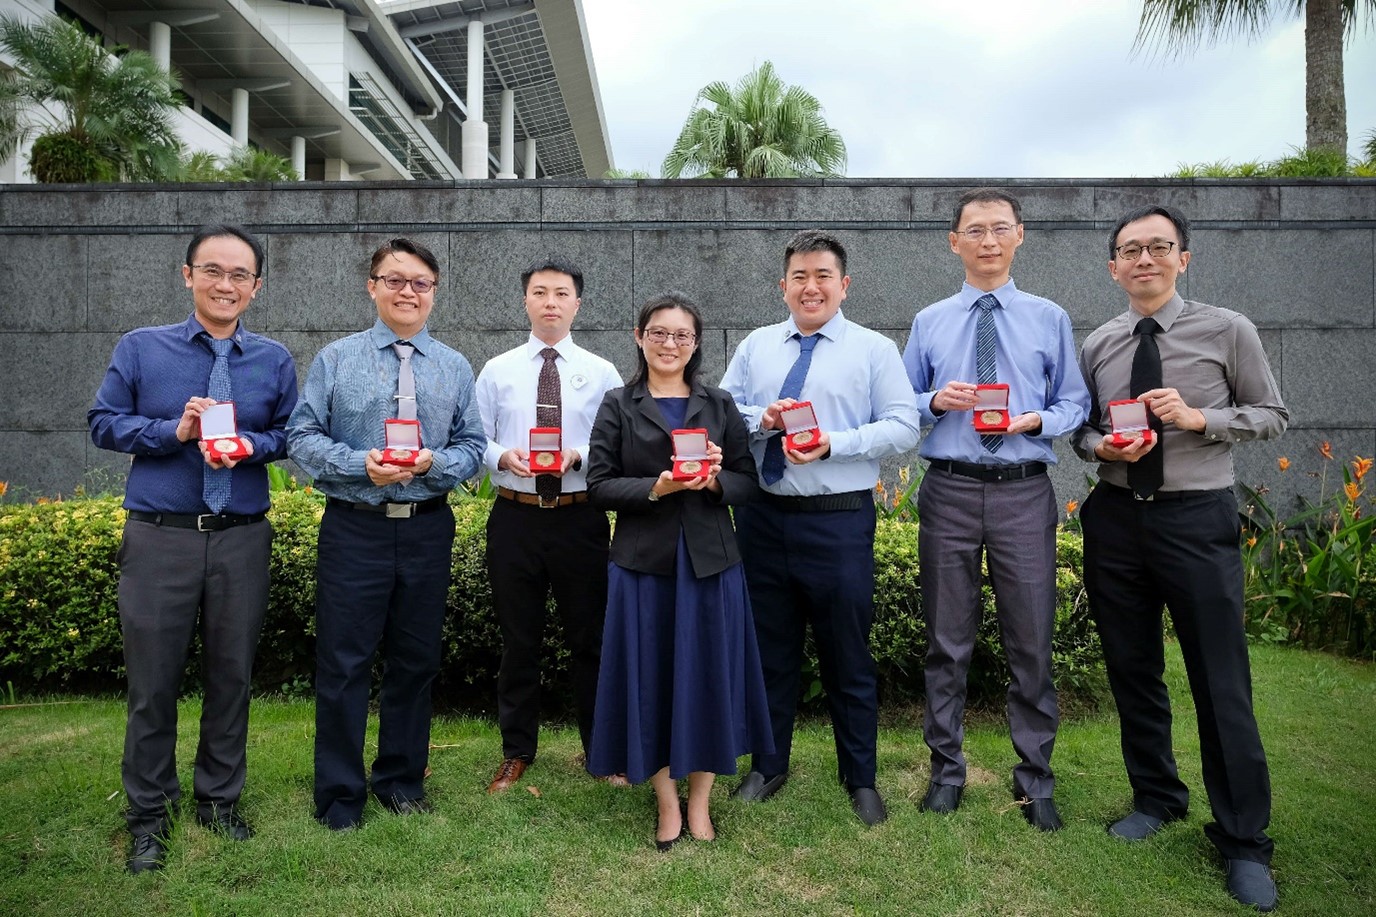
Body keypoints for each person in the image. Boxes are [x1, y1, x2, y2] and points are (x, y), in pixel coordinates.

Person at [1071, 205, 1286, 911]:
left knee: (1220, 678)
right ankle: (1156, 794)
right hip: (1115, 520)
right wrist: (1100, 446)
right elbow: (1082, 429)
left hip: (1197, 518)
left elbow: (1272, 414)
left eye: (1158, 247)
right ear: (1113, 266)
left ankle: (1244, 838)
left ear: (1182, 258)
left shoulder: (1229, 330)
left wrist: (1201, 419)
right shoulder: (1100, 341)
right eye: (1130, 250)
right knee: (1133, 669)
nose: (1144, 259)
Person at [89, 224, 298, 873]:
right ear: (188, 275)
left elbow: (290, 433)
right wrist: (170, 429)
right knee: (153, 684)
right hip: (161, 536)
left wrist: (250, 446)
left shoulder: (274, 359)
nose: (226, 283)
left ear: (256, 286)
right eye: (213, 270)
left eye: (240, 275)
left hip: (240, 537)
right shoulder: (142, 349)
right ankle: (148, 813)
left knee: (231, 677)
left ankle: (218, 800)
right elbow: (102, 422)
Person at [901, 188, 1090, 832]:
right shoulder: (929, 320)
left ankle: (1035, 779)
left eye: (999, 229)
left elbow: (1075, 403)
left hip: (1022, 488)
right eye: (974, 230)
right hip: (949, 487)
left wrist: (1038, 417)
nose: (987, 240)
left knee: (1031, 639)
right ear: (954, 242)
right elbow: (904, 403)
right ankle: (945, 772)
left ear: (1019, 237)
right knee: (946, 641)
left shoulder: (1049, 317)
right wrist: (934, 401)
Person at [721, 229, 921, 826]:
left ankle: (860, 776)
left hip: (838, 521)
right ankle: (769, 764)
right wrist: (764, 416)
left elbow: (904, 426)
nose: (811, 287)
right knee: (769, 650)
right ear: (783, 285)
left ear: (844, 284)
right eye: (799, 277)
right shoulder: (757, 345)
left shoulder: (873, 349)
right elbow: (724, 408)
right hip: (762, 517)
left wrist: (835, 442)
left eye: (823, 276)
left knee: (846, 654)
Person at [288, 238, 484, 831]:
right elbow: (301, 437)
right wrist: (358, 465)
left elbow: (472, 447)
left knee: (416, 660)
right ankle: (340, 795)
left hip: (427, 529)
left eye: (420, 282)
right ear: (372, 286)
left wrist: (432, 464)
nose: (407, 291)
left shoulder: (454, 365)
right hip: (356, 527)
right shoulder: (337, 359)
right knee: (344, 663)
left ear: (434, 292)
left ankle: (400, 781)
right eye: (394, 280)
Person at [585, 291, 772, 850]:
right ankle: (666, 804)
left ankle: (700, 804)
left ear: (696, 344)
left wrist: (715, 480)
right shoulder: (619, 403)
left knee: (708, 680)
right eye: (659, 333)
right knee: (654, 680)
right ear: (640, 337)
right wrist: (656, 487)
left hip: (711, 563)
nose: (670, 344)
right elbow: (597, 484)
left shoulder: (719, 404)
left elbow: (748, 481)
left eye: (682, 336)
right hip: (644, 564)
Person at [475, 258, 624, 793]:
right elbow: (476, 438)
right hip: (514, 516)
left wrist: (577, 457)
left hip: (577, 518)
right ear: (526, 301)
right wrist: (501, 457)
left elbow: (612, 444)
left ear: (577, 304)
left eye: (562, 293)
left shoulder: (602, 371)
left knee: (592, 640)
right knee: (519, 642)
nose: (551, 302)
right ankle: (517, 752)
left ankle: (602, 749)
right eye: (540, 292)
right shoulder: (497, 369)